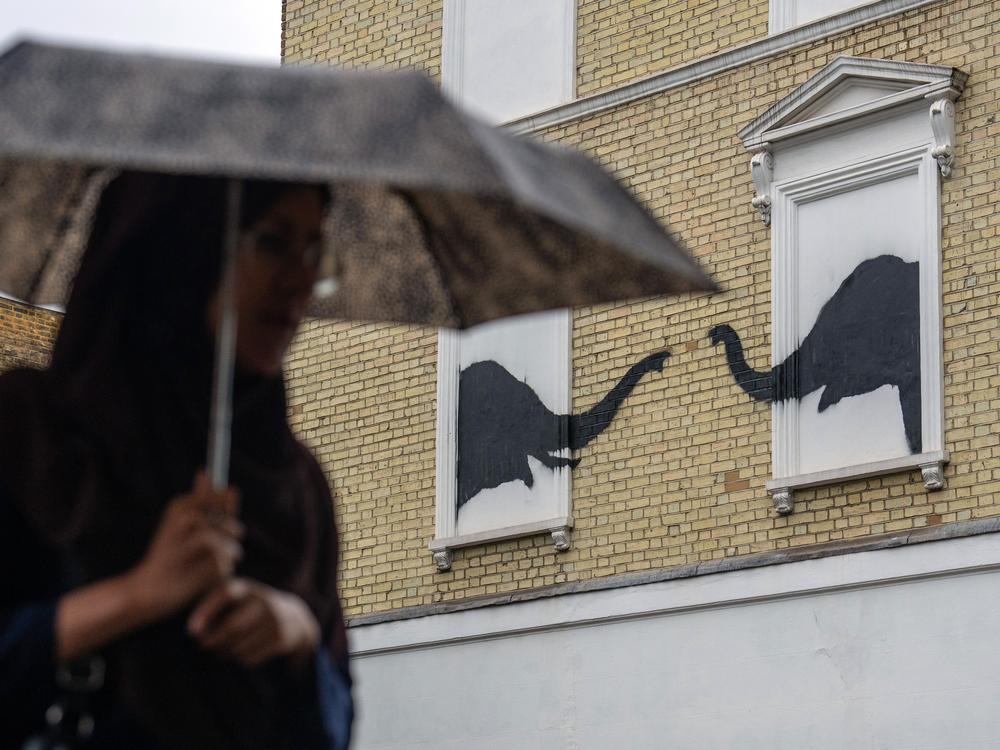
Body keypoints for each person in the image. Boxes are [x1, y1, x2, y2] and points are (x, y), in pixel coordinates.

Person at [0, 171, 353, 749]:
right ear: (183, 251)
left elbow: (335, 728)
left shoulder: (296, 484)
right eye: (272, 242)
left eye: (315, 251)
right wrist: (138, 594)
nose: (303, 280)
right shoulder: (33, 433)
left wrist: (296, 634)